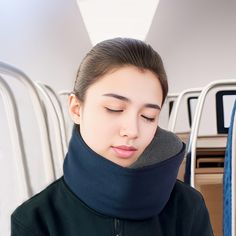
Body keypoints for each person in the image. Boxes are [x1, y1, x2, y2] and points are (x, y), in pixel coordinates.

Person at [11, 38, 213, 235]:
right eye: (114, 109)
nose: (132, 130)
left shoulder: (189, 207)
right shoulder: (35, 220)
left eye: (148, 117)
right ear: (76, 109)